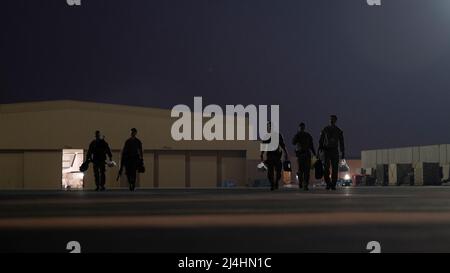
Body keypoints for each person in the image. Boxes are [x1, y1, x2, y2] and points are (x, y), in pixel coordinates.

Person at [318, 115, 345, 190]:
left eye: (333, 119)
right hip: (326, 151)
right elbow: (320, 140)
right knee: (326, 168)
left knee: (335, 169)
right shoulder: (325, 129)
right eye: (330, 119)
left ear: (335, 120)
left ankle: (333, 184)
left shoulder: (338, 130)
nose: (331, 120)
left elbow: (342, 142)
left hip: (334, 151)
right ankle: (328, 183)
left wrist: (343, 152)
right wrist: (319, 150)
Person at [260, 122, 289, 191]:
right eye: (267, 127)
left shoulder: (278, 135)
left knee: (278, 172)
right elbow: (263, 146)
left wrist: (286, 153)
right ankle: (272, 184)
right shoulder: (266, 136)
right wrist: (261, 154)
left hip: (277, 156)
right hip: (270, 156)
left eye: (269, 126)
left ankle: (276, 182)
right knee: (270, 172)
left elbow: (282, 145)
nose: (268, 128)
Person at [292, 122, 316, 191]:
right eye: (301, 128)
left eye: (302, 127)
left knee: (305, 171)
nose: (302, 129)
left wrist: (314, 154)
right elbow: (293, 142)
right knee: (302, 171)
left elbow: (311, 145)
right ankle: (302, 183)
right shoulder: (300, 135)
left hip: (305, 155)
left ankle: (304, 184)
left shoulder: (306, 135)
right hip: (302, 155)